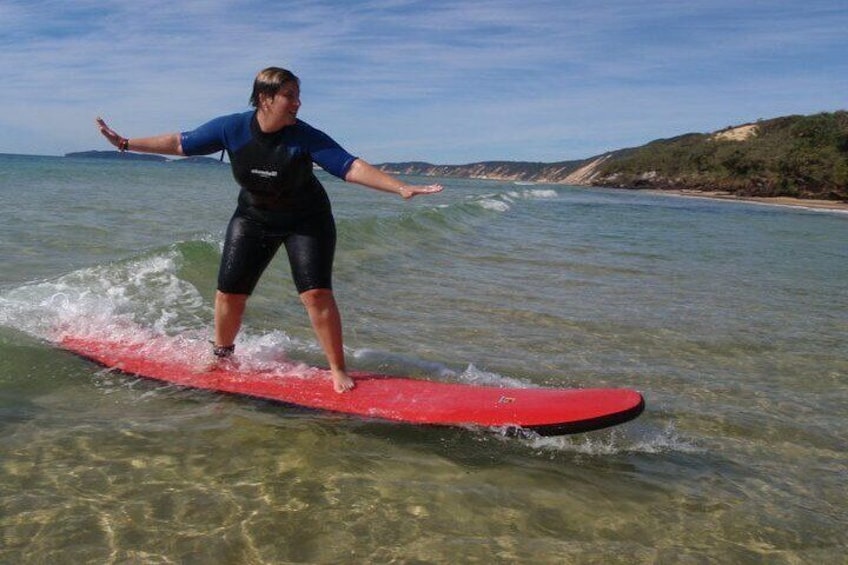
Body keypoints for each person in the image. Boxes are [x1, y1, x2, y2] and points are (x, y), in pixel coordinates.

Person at [96, 66, 443, 393]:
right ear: (265, 98)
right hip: (253, 218)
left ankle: (338, 369)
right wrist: (126, 143)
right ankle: (222, 357)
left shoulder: (304, 136)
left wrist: (398, 187)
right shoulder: (232, 128)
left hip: (307, 220)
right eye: (289, 95)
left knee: (316, 295)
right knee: (229, 293)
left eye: (298, 95)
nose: (297, 102)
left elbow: (349, 166)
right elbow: (179, 143)